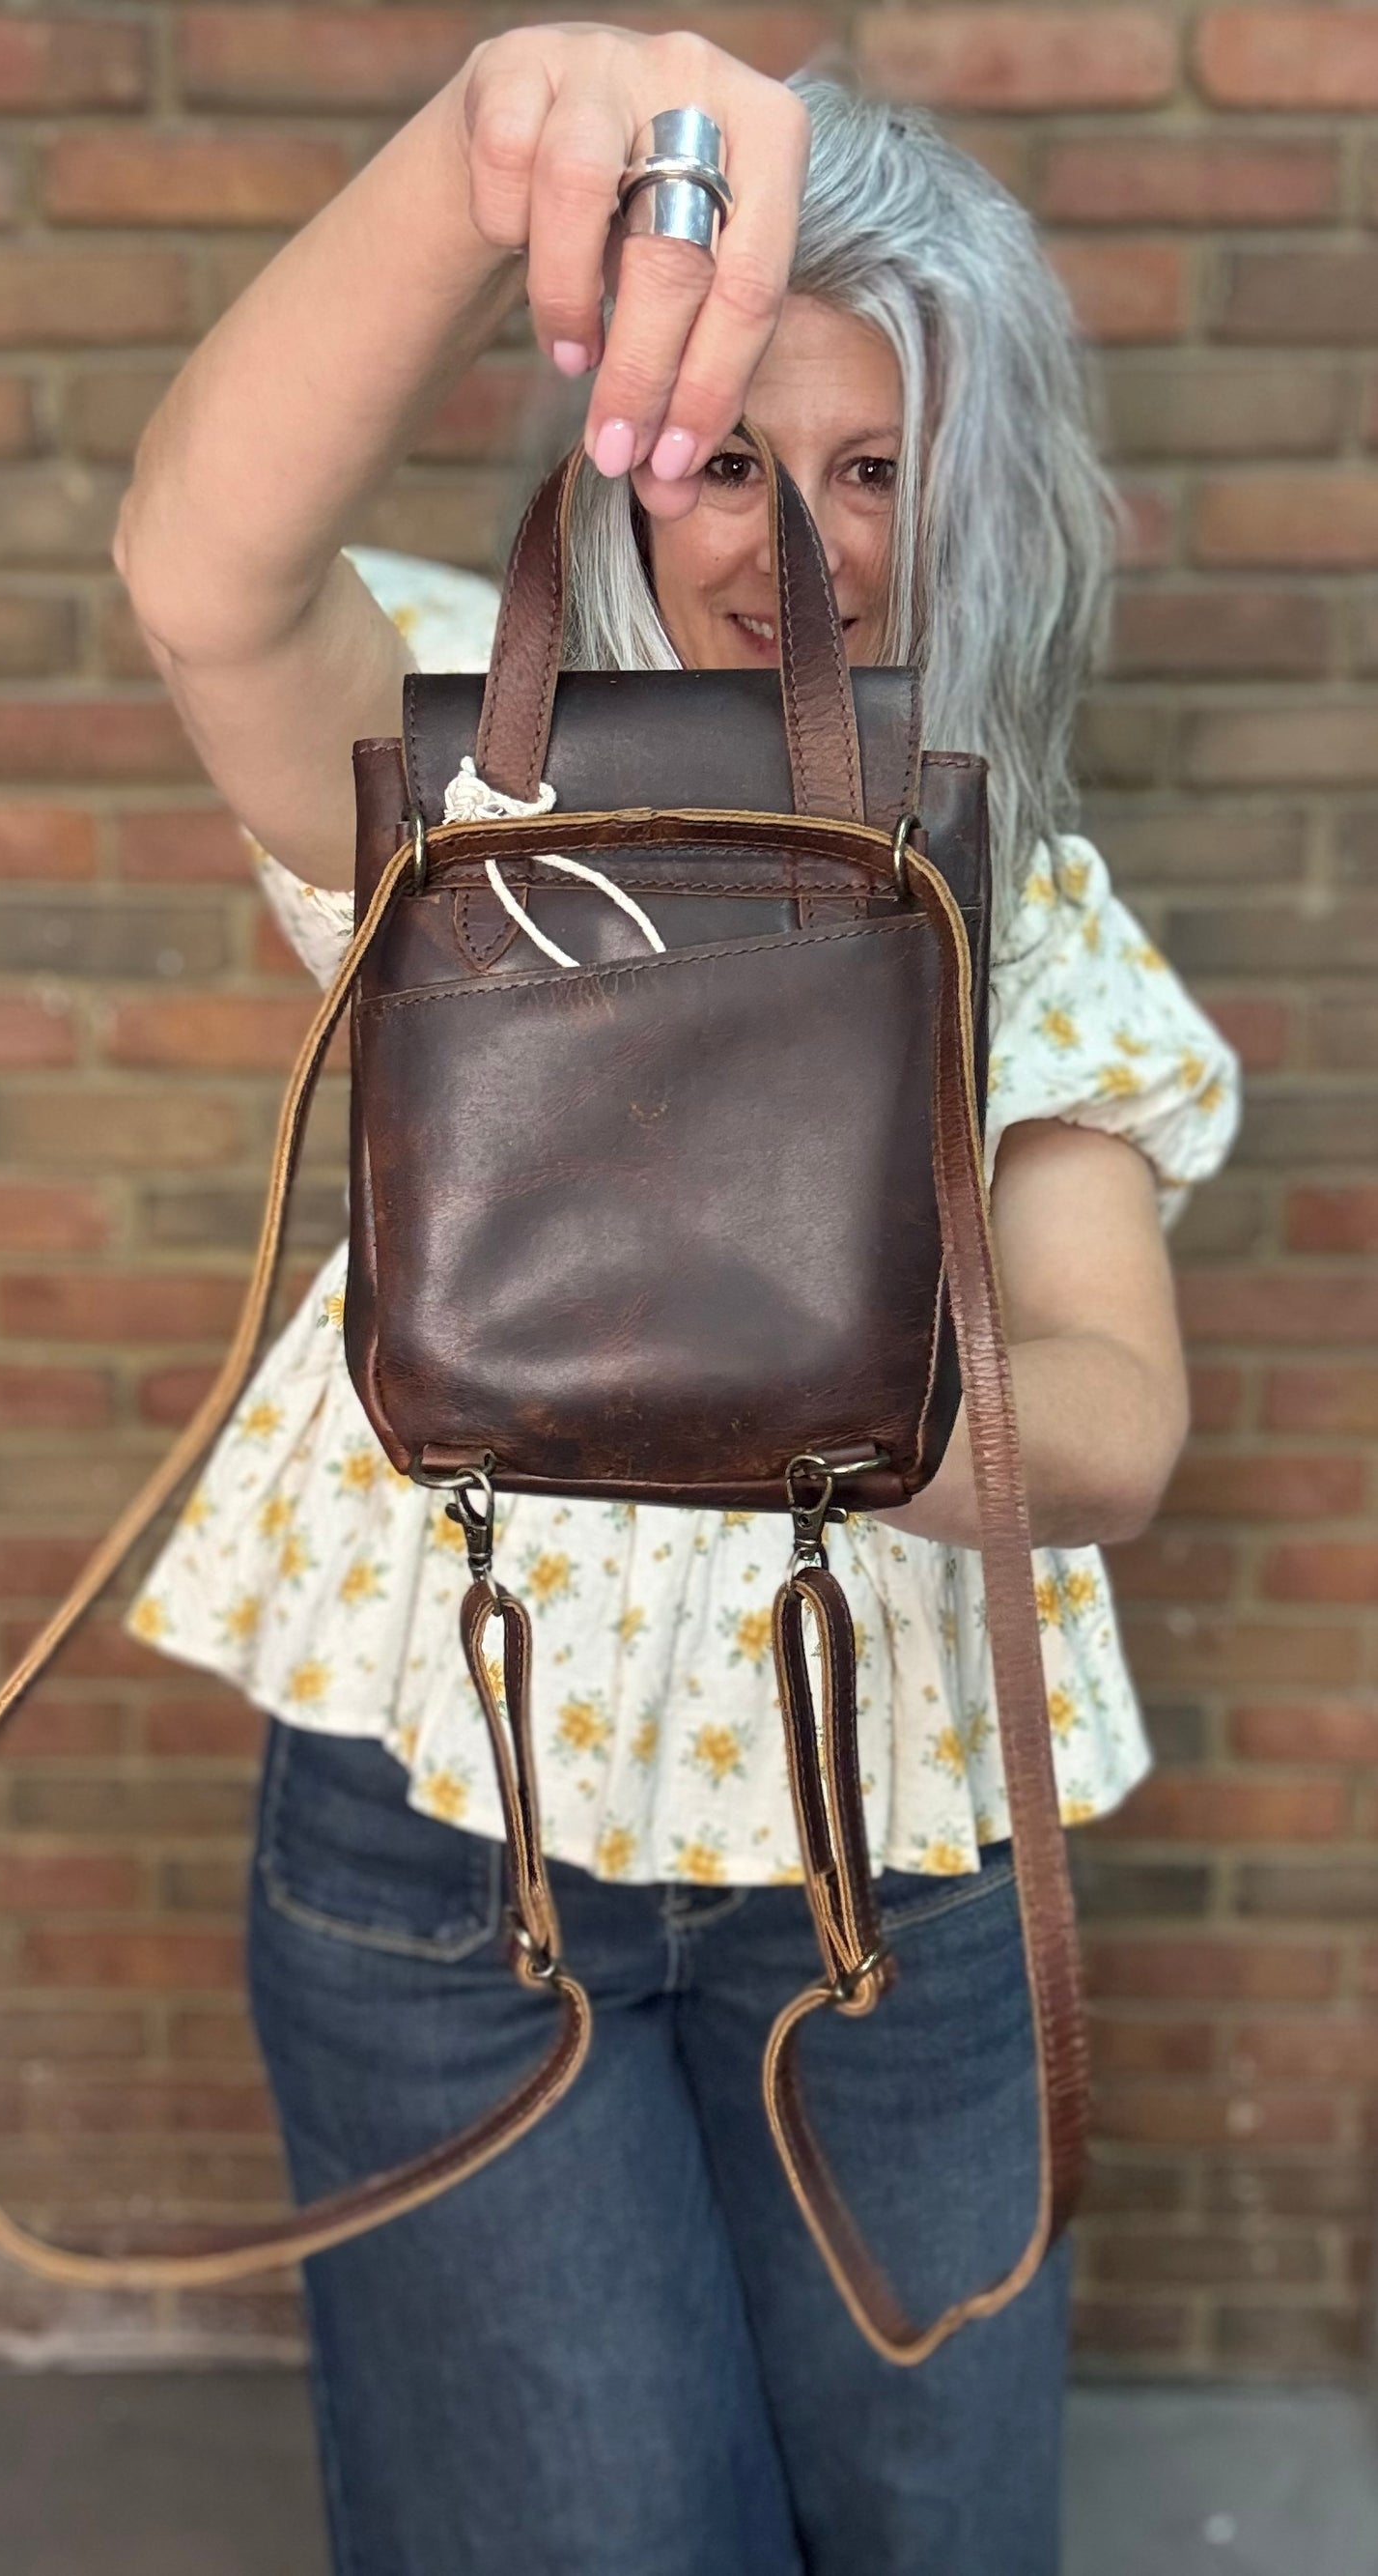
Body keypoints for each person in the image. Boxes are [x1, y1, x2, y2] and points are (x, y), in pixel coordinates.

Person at [113, 26, 1241, 2576]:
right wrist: (485, 149)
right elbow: (202, 569)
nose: (797, 537)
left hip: (895, 1862)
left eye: (870, 467)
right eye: (740, 456)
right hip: (453, 1850)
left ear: (975, 491)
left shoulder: (1018, 902)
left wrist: (759, 1352)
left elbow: (1113, 1422)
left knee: (928, 2524)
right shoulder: (473, 782)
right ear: (637, 443)